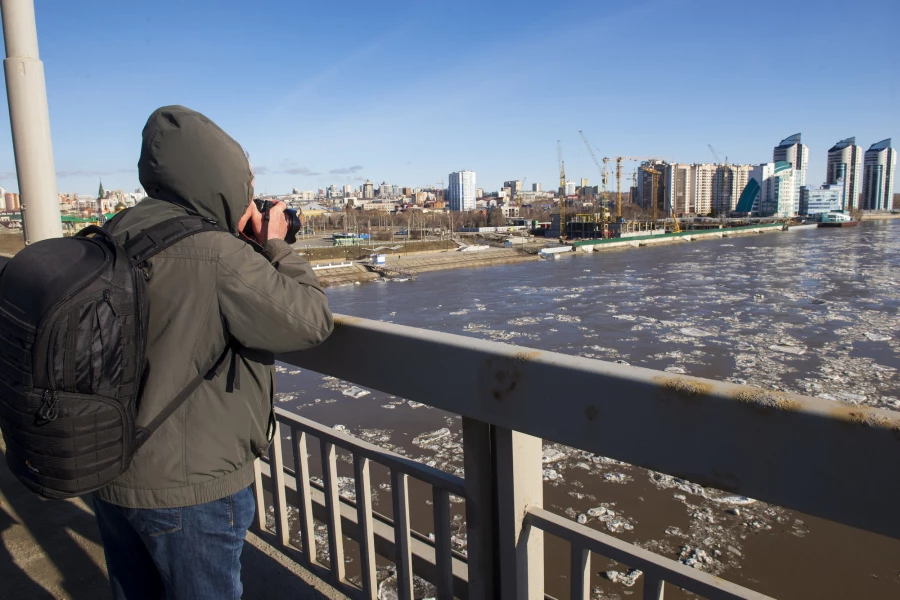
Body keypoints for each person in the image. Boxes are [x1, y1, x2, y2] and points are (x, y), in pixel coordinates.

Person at [91, 106, 334, 599]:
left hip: (109, 468)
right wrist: (276, 245)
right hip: (189, 489)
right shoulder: (217, 253)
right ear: (220, 180)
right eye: (246, 184)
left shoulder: (114, 232)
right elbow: (311, 321)